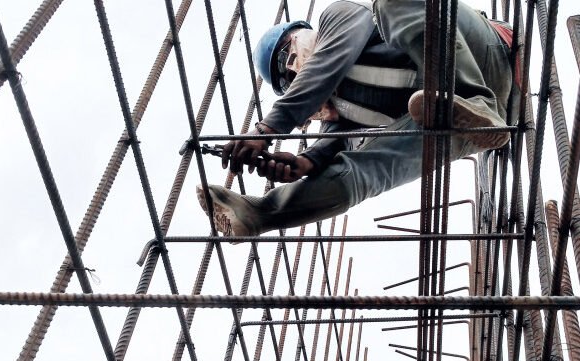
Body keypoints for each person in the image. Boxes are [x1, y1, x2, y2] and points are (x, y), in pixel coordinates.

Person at [197, 0, 517, 241]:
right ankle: (259, 214)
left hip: (491, 53)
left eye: (287, 56)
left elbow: (325, 66)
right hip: (479, 126)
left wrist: (267, 129)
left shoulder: (341, 18)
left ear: (304, 35)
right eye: (284, 79)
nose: (291, 70)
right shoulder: (340, 119)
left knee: (391, 2)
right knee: (360, 169)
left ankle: (476, 99)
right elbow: (327, 150)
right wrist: (304, 164)